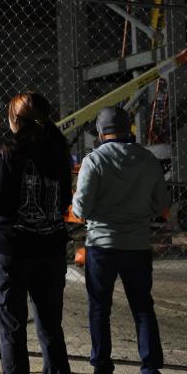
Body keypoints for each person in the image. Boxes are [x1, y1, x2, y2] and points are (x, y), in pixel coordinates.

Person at [72, 106, 170, 374]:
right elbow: (162, 205)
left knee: (99, 308)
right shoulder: (148, 160)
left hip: (102, 245)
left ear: (101, 133)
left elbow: (80, 210)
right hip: (137, 245)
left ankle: (102, 365)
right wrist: (138, 214)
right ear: (129, 130)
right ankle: (150, 366)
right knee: (142, 306)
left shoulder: (94, 161)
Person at [0, 92, 72, 374]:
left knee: (11, 326)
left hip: (13, 249)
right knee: (50, 326)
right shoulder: (59, 153)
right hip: (50, 248)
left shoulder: (7, 153)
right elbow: (62, 202)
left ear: (15, 120)